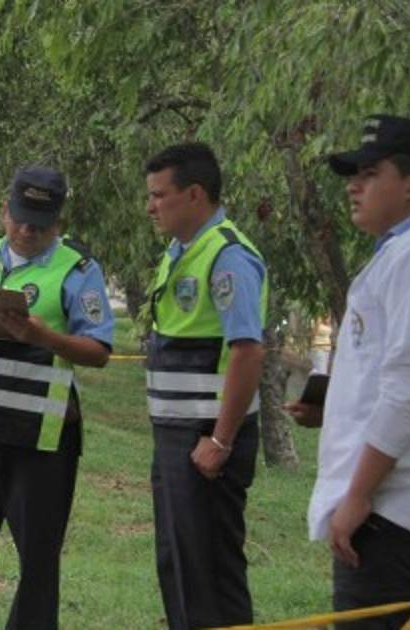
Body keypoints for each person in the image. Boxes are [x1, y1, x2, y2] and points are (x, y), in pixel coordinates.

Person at [0, 166, 115, 629]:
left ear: (58, 221)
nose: (27, 230)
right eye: (20, 219)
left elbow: (98, 351)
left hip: (39, 438)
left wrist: (42, 335)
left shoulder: (78, 269)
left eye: (40, 223)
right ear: (4, 211)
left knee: (37, 564)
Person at [287, 115, 410, 629]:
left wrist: (357, 495)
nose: (353, 187)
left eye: (370, 174)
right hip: (404, 511)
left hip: (400, 518)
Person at [143, 142, 268, 629]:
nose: (151, 207)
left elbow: (247, 351)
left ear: (194, 194)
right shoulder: (180, 252)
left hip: (205, 443)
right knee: (179, 564)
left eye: (159, 195)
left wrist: (221, 440)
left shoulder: (228, 256)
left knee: (209, 571)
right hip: (176, 437)